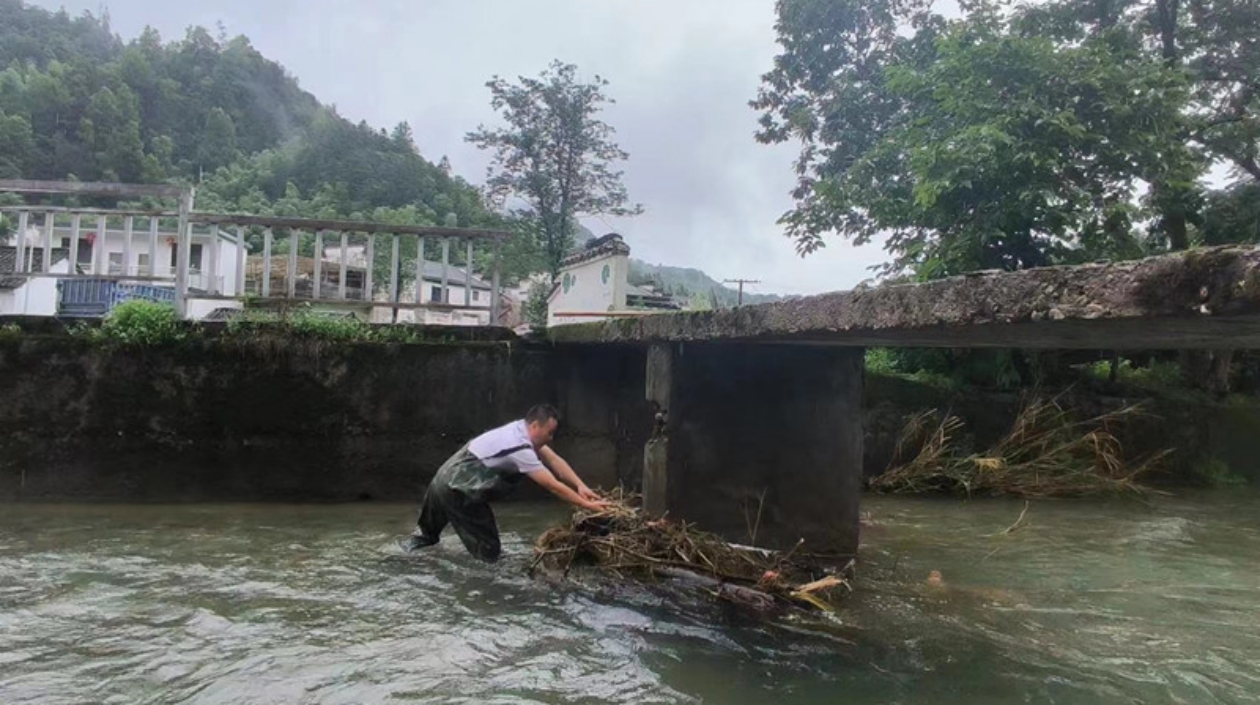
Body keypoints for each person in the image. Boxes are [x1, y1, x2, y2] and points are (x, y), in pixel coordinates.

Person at [403, 404, 608, 562]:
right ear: (535, 425)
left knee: (423, 538)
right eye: (549, 433)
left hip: (442, 478)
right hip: (459, 490)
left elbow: (554, 461)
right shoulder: (520, 448)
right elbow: (552, 485)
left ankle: (397, 560)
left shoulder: (519, 429)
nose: (550, 438)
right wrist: (587, 505)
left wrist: (581, 486)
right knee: (489, 554)